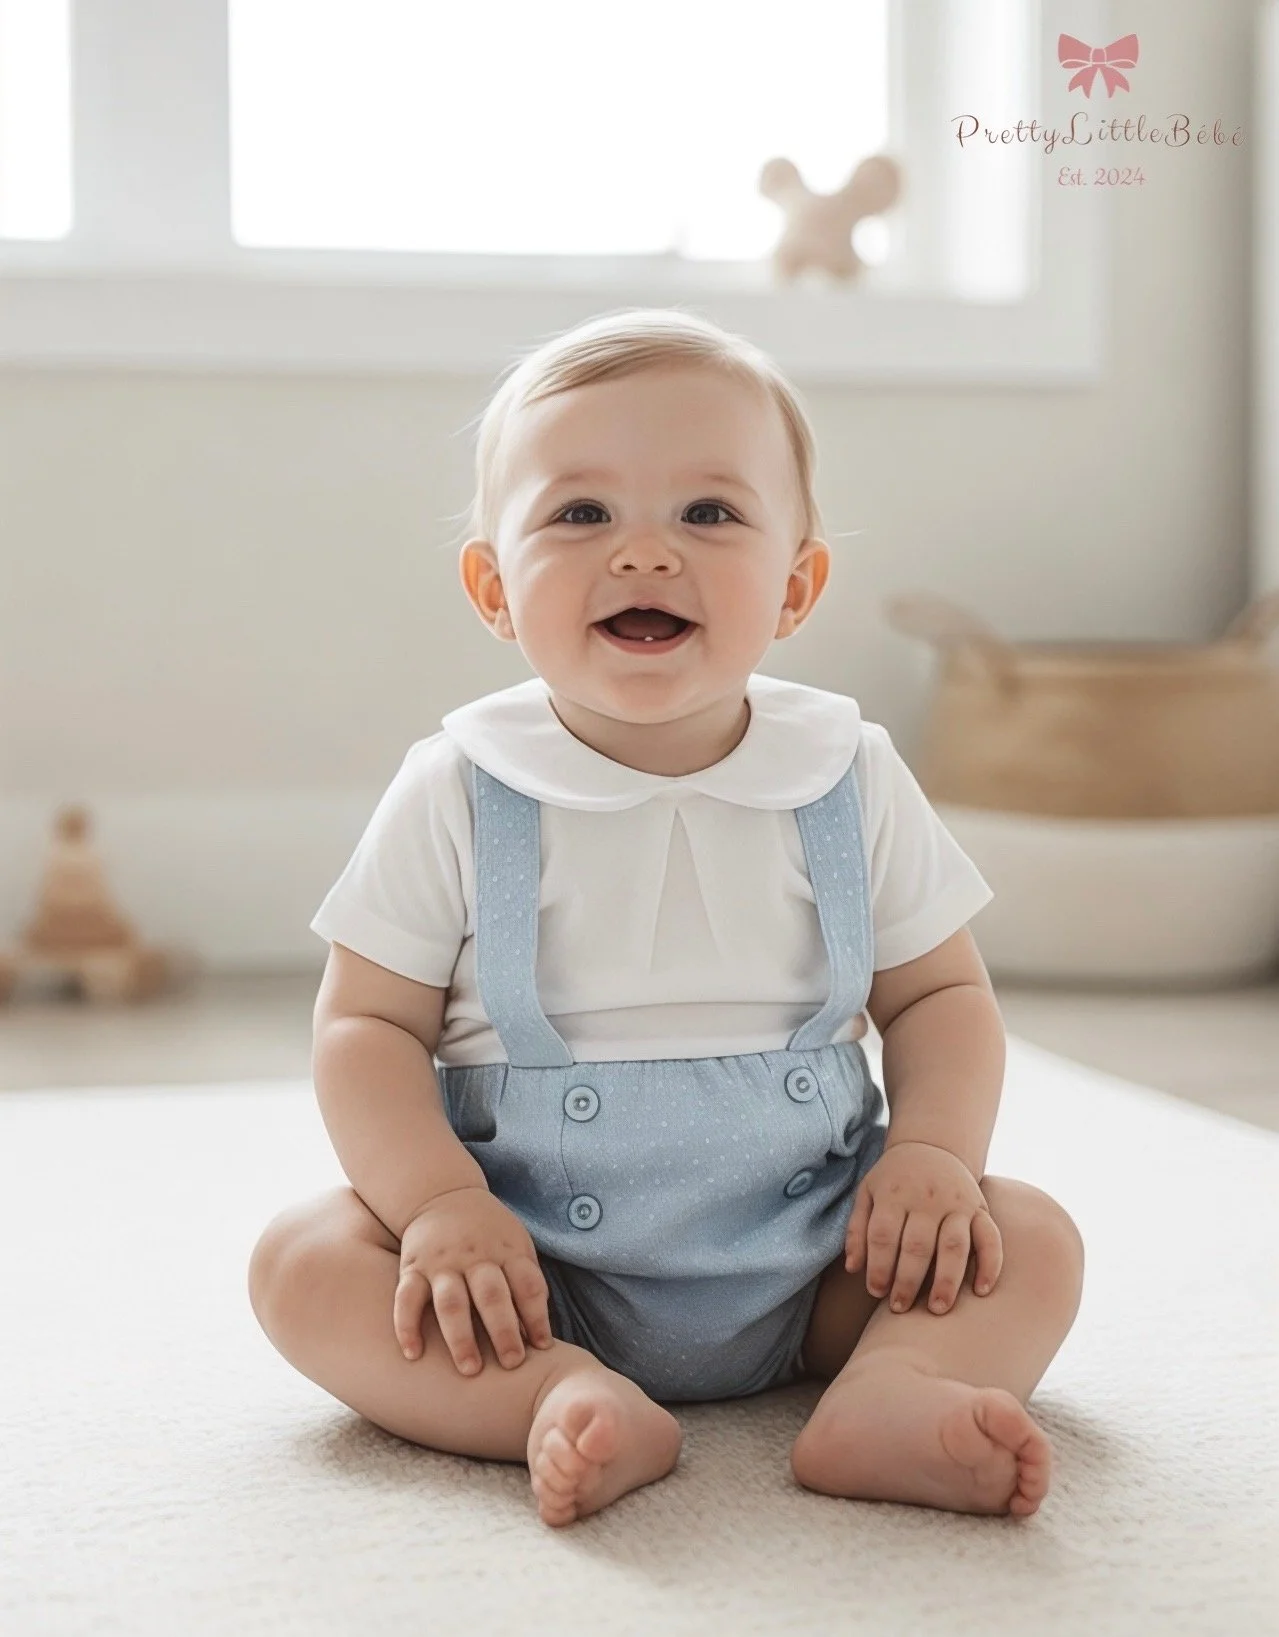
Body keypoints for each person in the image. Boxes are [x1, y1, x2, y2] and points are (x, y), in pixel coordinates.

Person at [248, 307, 1085, 1528]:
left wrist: (932, 1157)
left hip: (821, 1256)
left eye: (708, 512)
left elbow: (940, 996)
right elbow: (363, 1025)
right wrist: (438, 1203)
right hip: (529, 1266)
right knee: (301, 1263)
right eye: (581, 514)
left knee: (1032, 1236)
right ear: (493, 585)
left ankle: (894, 1386)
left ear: (797, 585)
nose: (643, 554)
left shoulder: (846, 772)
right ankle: (553, 1395)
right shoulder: (460, 783)